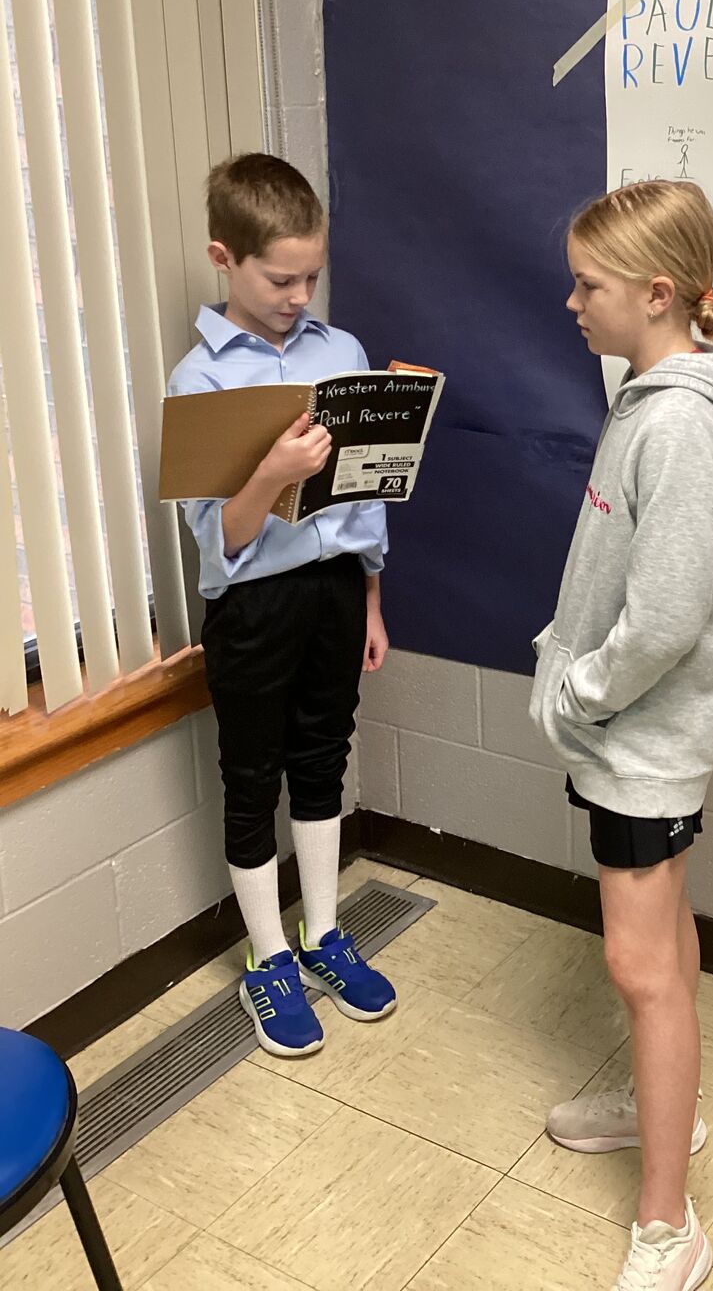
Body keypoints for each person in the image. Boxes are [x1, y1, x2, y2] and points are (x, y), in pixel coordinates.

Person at [530, 180, 713, 1291]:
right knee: (661, 941)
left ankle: (671, 1228)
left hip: (641, 737)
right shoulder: (663, 392)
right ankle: (658, 1106)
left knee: (639, 965)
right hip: (637, 736)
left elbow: (667, 618)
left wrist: (580, 688)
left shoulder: (678, 421)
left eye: (589, 285)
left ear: (658, 293)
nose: (572, 301)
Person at [168, 153, 397, 1058]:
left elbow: (370, 495)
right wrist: (273, 470)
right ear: (224, 257)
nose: (300, 293)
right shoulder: (198, 382)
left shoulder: (341, 354)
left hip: (338, 591)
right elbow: (218, 540)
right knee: (250, 777)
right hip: (254, 605)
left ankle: (323, 933)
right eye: (280, 277)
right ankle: (268, 958)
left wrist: (374, 598)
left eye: (312, 275)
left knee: (322, 760)